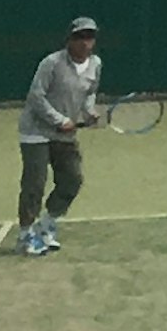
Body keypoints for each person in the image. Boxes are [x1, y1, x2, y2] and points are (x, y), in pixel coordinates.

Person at [15, 13, 106, 256]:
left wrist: (88, 112)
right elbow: (36, 96)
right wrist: (60, 119)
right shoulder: (52, 63)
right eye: (80, 37)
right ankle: (25, 235)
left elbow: (89, 93)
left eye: (89, 37)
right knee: (35, 183)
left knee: (72, 180)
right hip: (35, 131)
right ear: (70, 39)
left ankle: (46, 224)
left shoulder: (95, 64)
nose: (85, 42)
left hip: (65, 134)